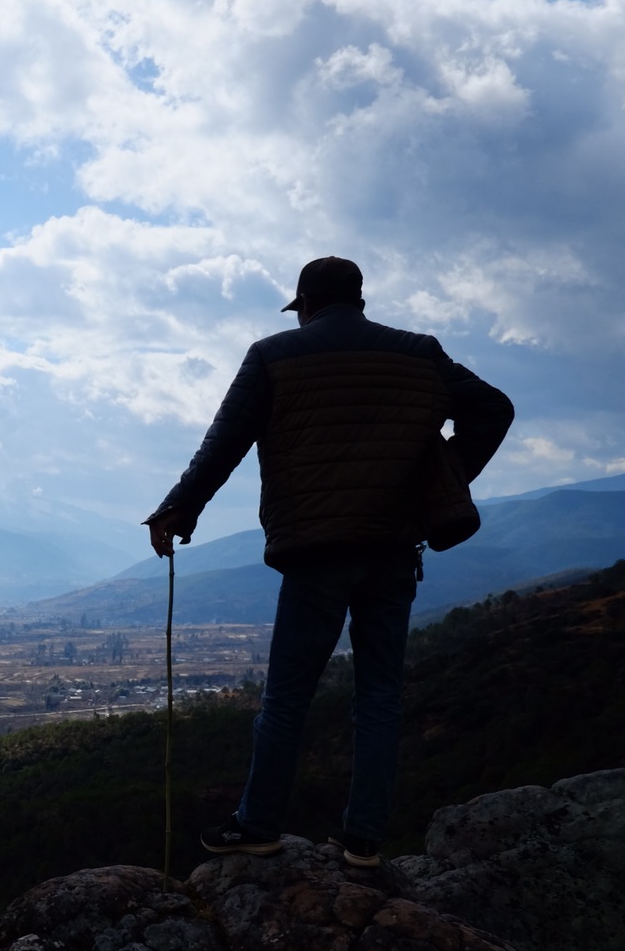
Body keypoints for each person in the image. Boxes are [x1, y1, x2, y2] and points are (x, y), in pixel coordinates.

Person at [145, 256, 513, 868]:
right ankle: (364, 839)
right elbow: (494, 408)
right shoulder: (420, 353)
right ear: (361, 300)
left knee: (287, 697)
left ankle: (258, 822)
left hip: (316, 550)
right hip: (394, 546)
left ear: (305, 305)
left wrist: (177, 511)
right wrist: (444, 479)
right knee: (379, 694)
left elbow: (224, 443)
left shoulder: (274, 356)